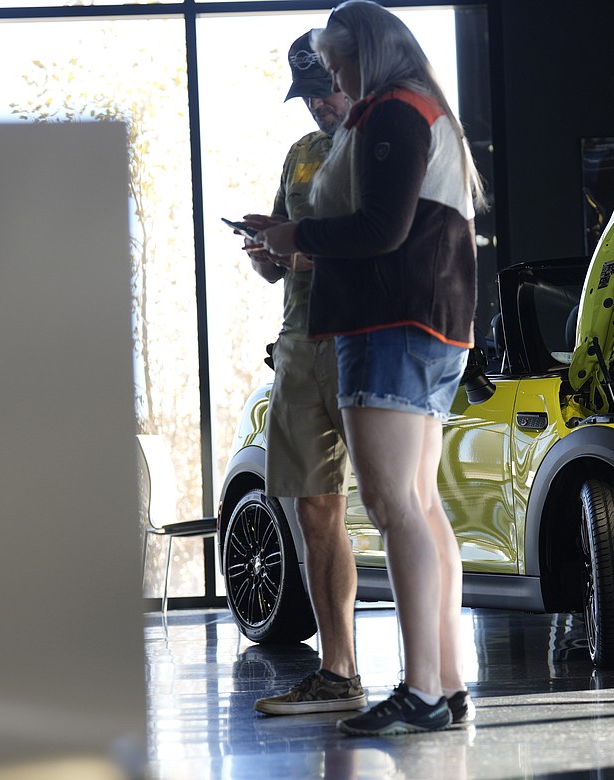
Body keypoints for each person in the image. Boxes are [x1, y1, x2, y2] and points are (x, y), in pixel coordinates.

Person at [256, 0, 485, 736]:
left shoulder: (392, 112)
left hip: (391, 324)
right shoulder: (420, 111)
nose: (337, 78)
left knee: (395, 508)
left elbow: (382, 230)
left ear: (367, 53)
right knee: (419, 505)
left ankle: (420, 688)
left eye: (340, 62)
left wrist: (297, 233)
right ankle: (444, 683)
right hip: (423, 325)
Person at [235, 32, 366, 717]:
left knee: (402, 506)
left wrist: (307, 251)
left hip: (361, 339)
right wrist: (267, 249)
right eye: (309, 96)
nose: (319, 105)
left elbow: (388, 242)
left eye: (327, 89)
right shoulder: (303, 154)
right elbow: (284, 252)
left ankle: (432, 678)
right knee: (314, 509)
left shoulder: (382, 142)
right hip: (298, 341)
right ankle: (338, 672)